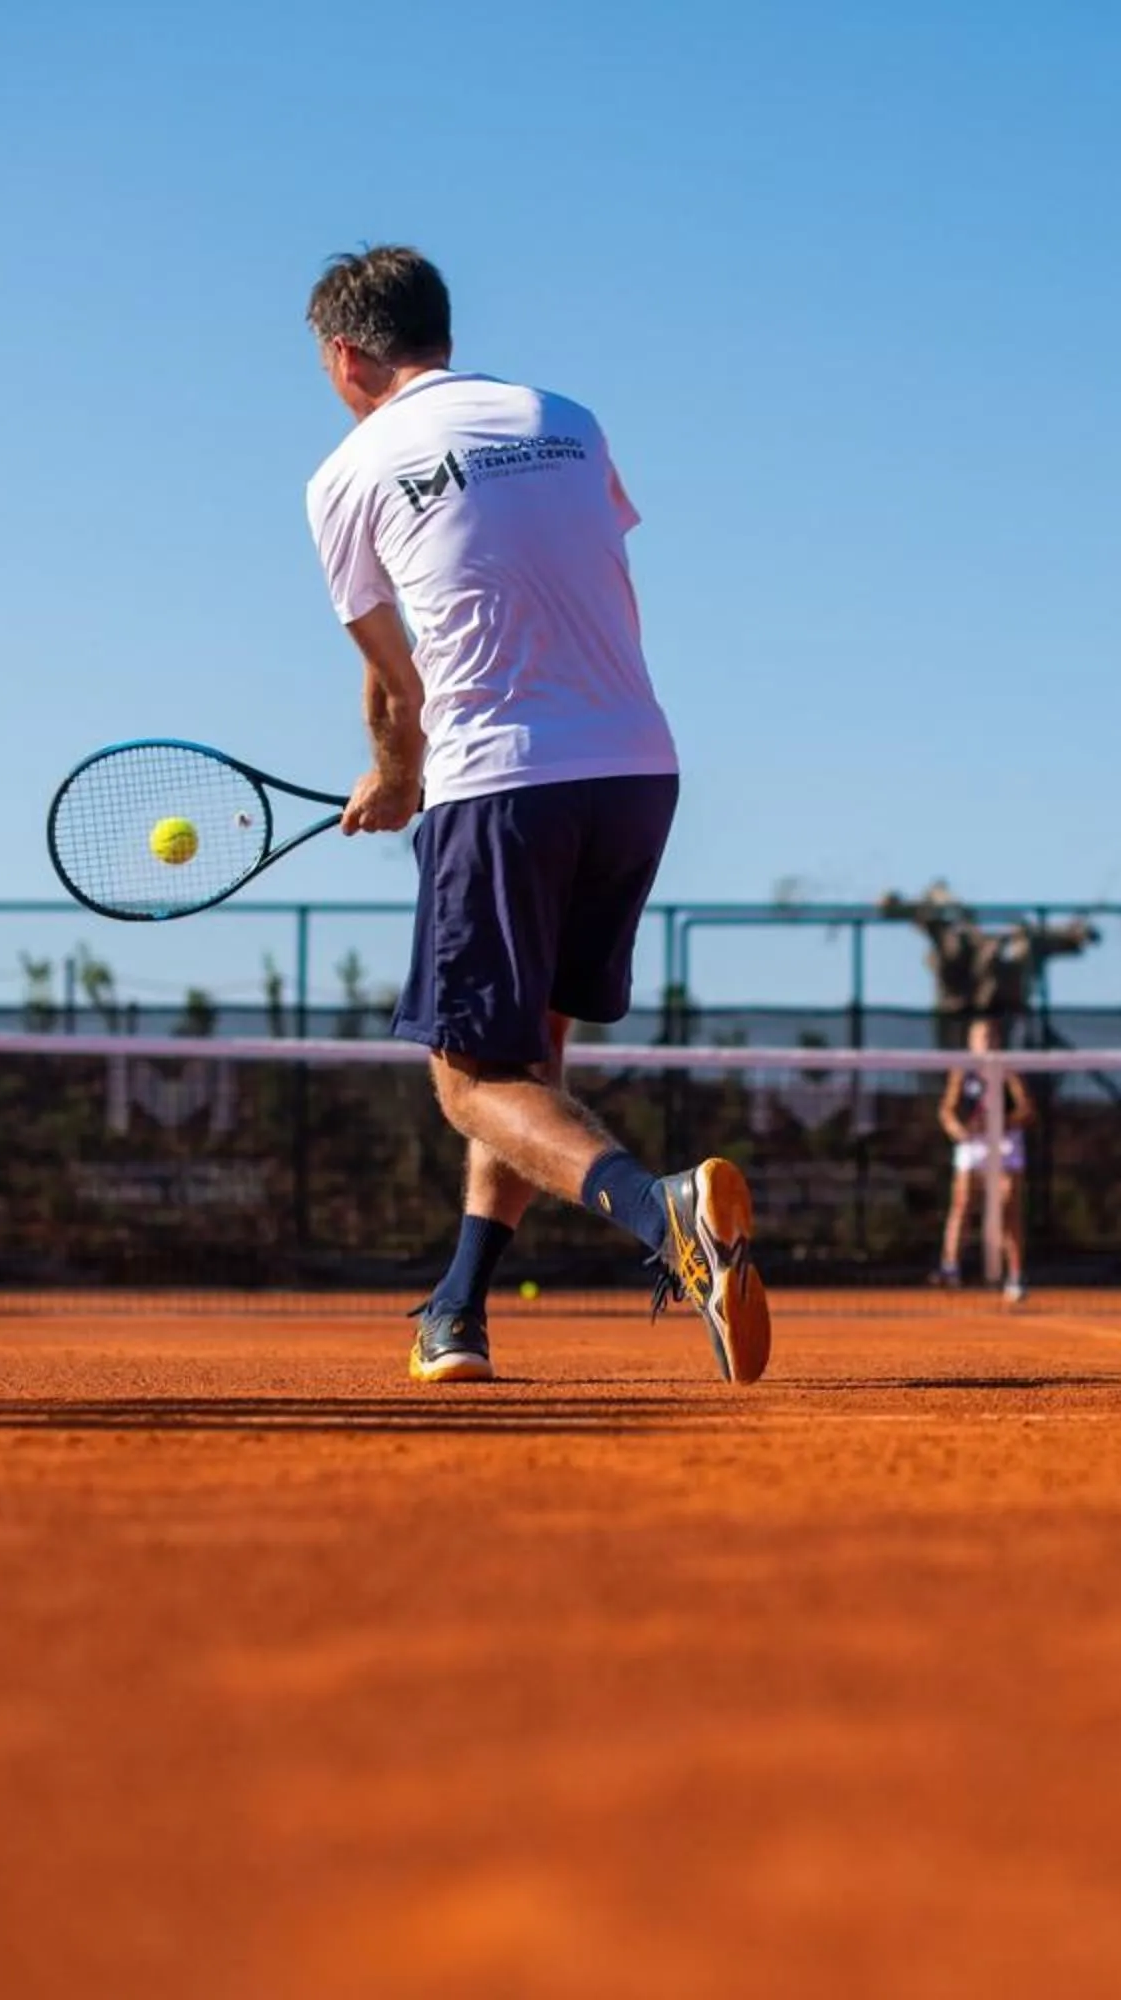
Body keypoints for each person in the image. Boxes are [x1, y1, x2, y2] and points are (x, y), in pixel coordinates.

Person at [304, 245, 767, 1387]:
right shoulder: (566, 417)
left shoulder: (346, 473)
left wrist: (394, 773)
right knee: (533, 1063)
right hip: (638, 769)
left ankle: (660, 1213)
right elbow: (576, 562)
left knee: (469, 1077)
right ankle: (457, 1310)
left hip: (502, 779)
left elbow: (397, 681)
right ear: (442, 332)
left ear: (344, 356)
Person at [934, 1016, 1032, 1303]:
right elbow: (947, 1111)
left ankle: (1015, 1275)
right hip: (973, 1142)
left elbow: (1026, 1109)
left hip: (1005, 1141)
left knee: (1007, 1206)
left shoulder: (1009, 1069)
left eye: (991, 1036)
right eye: (981, 1037)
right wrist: (958, 1129)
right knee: (962, 1203)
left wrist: (1002, 1123)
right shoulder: (962, 1071)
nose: (986, 1041)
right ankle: (950, 1268)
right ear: (971, 1042)